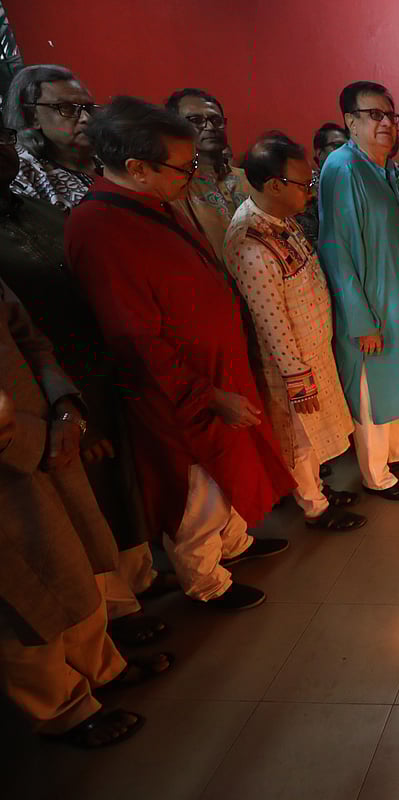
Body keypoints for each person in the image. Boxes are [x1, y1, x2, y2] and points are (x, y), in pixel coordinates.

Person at [66, 96, 293, 611]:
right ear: (136, 168)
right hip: (182, 393)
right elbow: (133, 337)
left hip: (217, 371)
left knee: (232, 472)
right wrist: (207, 394)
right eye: (183, 166)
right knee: (197, 494)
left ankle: (234, 546)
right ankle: (205, 581)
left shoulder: (153, 202)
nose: (192, 174)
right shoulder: (99, 226)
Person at [0, 124, 172, 641]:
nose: (3, 149)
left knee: (121, 486)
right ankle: (111, 617)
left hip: (92, 368)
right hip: (46, 395)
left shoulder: (38, 210)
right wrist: (65, 404)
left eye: (2, 137)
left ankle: (135, 585)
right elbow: (28, 327)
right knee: (77, 508)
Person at [0, 294, 172, 748]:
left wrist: (65, 409)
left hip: (47, 434)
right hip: (15, 453)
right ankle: (62, 709)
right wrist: (37, 437)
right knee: (25, 598)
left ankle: (100, 670)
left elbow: (29, 340)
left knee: (74, 562)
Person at [225, 132, 367, 531]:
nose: (310, 190)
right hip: (290, 365)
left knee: (315, 436)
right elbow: (269, 318)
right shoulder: (250, 242)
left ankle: (317, 487)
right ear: (273, 185)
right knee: (301, 437)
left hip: (312, 349)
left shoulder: (278, 221)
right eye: (304, 184)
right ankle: (314, 507)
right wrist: (295, 374)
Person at [319, 81, 399, 499]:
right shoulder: (343, 168)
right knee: (372, 389)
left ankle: (396, 453)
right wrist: (361, 318)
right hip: (371, 308)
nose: (386, 123)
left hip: (396, 303)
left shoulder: (384, 168)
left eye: (390, 115)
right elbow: (337, 248)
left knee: (395, 383)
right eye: (374, 115)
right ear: (350, 121)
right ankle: (375, 473)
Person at [164, 88, 250, 258]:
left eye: (216, 120)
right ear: (174, 127)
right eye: (195, 120)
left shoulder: (246, 177)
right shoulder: (175, 188)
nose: (210, 127)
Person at [3, 64, 99, 209]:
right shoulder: (22, 171)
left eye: (88, 108)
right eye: (66, 107)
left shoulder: (110, 155)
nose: (86, 118)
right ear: (31, 117)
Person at [295, 122, 348, 246]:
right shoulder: (306, 187)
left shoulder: (355, 184)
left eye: (347, 148)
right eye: (337, 146)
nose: (344, 152)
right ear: (319, 153)